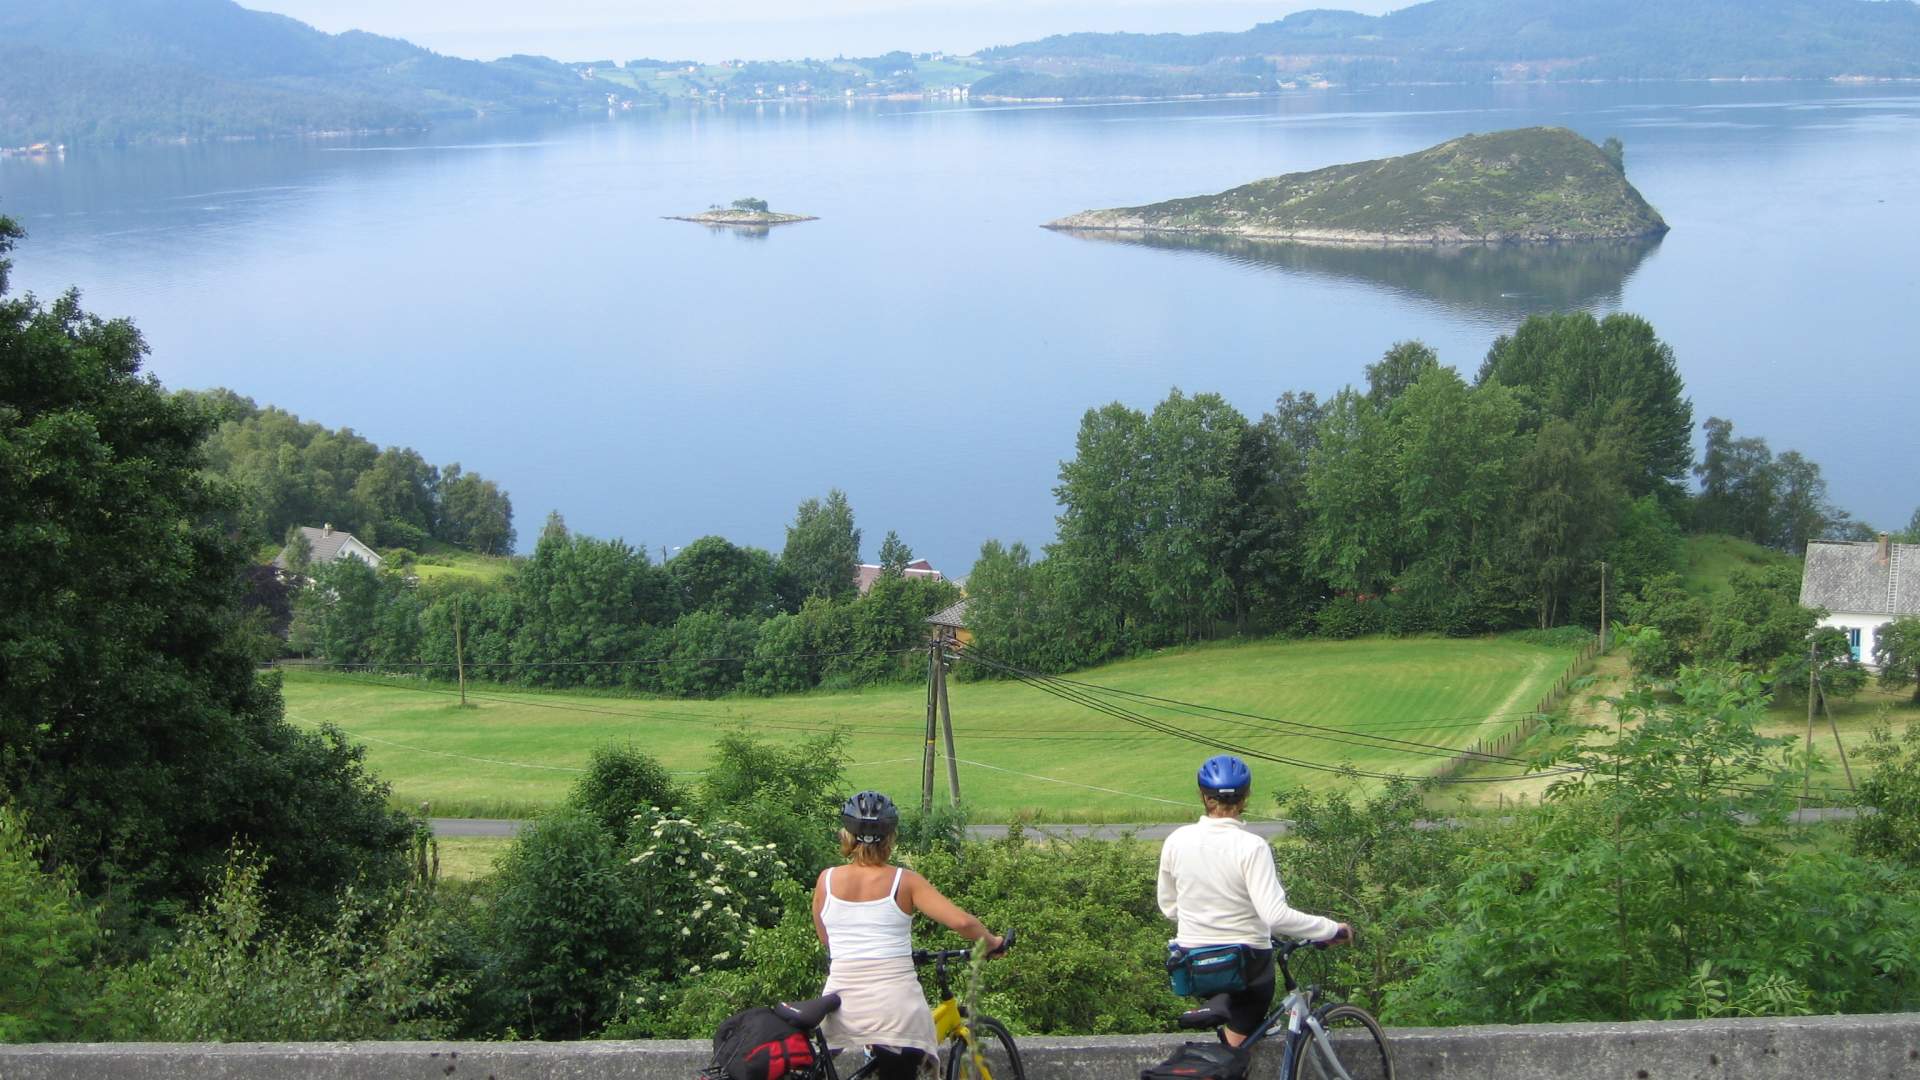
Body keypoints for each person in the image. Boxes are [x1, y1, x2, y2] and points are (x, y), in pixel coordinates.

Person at [1157, 754, 1351, 1047]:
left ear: (1203, 796)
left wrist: (1207, 924)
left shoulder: (1176, 840)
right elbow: (1275, 916)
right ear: (1246, 796)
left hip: (1195, 963)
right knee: (1237, 1040)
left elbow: (1169, 906)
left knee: (1242, 1036)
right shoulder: (1252, 846)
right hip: (1246, 966)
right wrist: (1329, 928)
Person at [812, 790, 1005, 1077]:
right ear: (890, 836)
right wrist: (992, 943)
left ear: (847, 835)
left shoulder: (826, 880)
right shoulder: (905, 881)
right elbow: (962, 923)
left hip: (840, 1007)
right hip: (895, 1011)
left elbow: (827, 939)